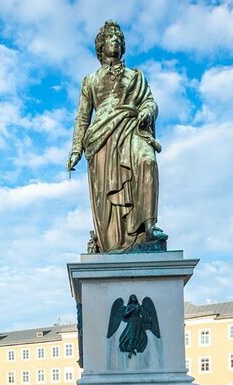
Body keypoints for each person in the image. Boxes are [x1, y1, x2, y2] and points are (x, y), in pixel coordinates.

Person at [68, 20, 167, 253]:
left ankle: (149, 226)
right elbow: (82, 117)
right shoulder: (90, 80)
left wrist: (147, 110)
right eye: (110, 38)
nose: (115, 42)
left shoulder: (136, 76)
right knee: (108, 197)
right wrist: (75, 150)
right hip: (101, 139)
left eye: (118, 39)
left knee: (148, 161)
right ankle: (112, 240)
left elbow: (150, 102)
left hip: (132, 127)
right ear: (100, 47)